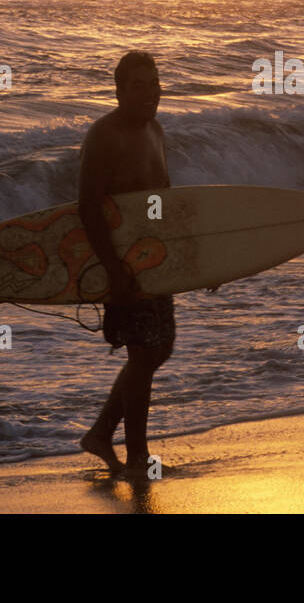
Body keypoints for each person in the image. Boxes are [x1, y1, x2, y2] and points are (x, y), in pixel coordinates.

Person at [76, 51, 214, 478]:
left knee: (159, 349)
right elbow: (88, 207)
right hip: (124, 261)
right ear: (118, 90)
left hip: (154, 260)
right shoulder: (105, 135)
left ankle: (100, 433)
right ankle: (137, 458)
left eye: (154, 83)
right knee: (142, 353)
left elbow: (164, 201)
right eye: (138, 85)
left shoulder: (156, 130)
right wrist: (114, 269)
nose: (150, 92)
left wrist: (198, 261)